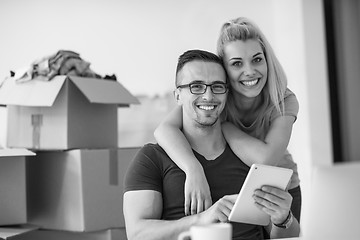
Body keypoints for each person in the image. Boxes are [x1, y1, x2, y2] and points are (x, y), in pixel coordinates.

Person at [123, 49, 300, 240]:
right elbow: (137, 234)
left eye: (217, 86)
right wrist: (201, 220)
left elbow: (284, 236)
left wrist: (284, 219)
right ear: (177, 95)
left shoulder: (251, 158)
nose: (208, 96)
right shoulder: (151, 159)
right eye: (196, 86)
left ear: (227, 94)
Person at [154, 17, 301, 222]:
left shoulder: (282, 98)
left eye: (257, 59)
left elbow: (265, 160)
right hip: (237, 185)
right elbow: (164, 130)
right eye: (237, 63)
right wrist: (192, 168)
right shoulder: (217, 95)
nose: (249, 71)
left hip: (279, 191)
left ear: (267, 60)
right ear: (224, 70)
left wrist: (225, 125)